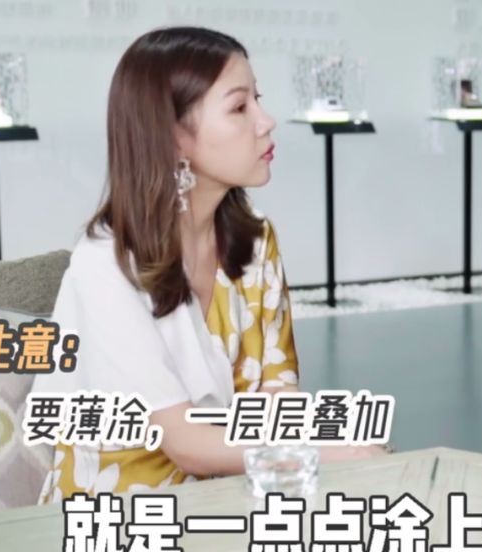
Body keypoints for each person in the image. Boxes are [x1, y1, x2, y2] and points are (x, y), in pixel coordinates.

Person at [34, 27, 383, 502]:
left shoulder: (255, 240)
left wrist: (326, 460)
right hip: (122, 511)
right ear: (174, 136)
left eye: (258, 100)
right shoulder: (105, 264)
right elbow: (185, 445)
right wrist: (332, 453)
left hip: (235, 491)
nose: (266, 121)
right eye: (239, 107)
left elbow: (278, 399)